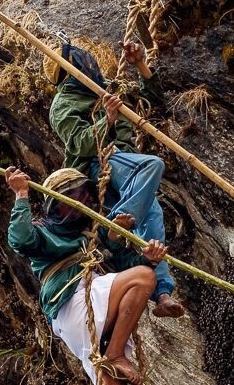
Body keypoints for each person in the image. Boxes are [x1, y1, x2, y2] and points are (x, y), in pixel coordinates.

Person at [5, 164, 178, 385]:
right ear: (54, 207)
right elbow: (20, 239)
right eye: (70, 199)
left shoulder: (95, 236)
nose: (79, 202)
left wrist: (148, 256)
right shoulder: (44, 232)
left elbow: (129, 264)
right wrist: (21, 194)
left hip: (81, 319)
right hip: (72, 301)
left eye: (83, 195)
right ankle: (114, 352)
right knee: (143, 279)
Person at [46, 39, 185, 320]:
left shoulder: (106, 86)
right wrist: (107, 119)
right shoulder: (62, 106)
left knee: (153, 214)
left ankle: (162, 293)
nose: (90, 62)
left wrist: (140, 64)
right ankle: (122, 220)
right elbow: (81, 143)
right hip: (98, 168)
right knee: (152, 166)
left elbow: (153, 102)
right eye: (80, 60)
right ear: (70, 69)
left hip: (124, 166)